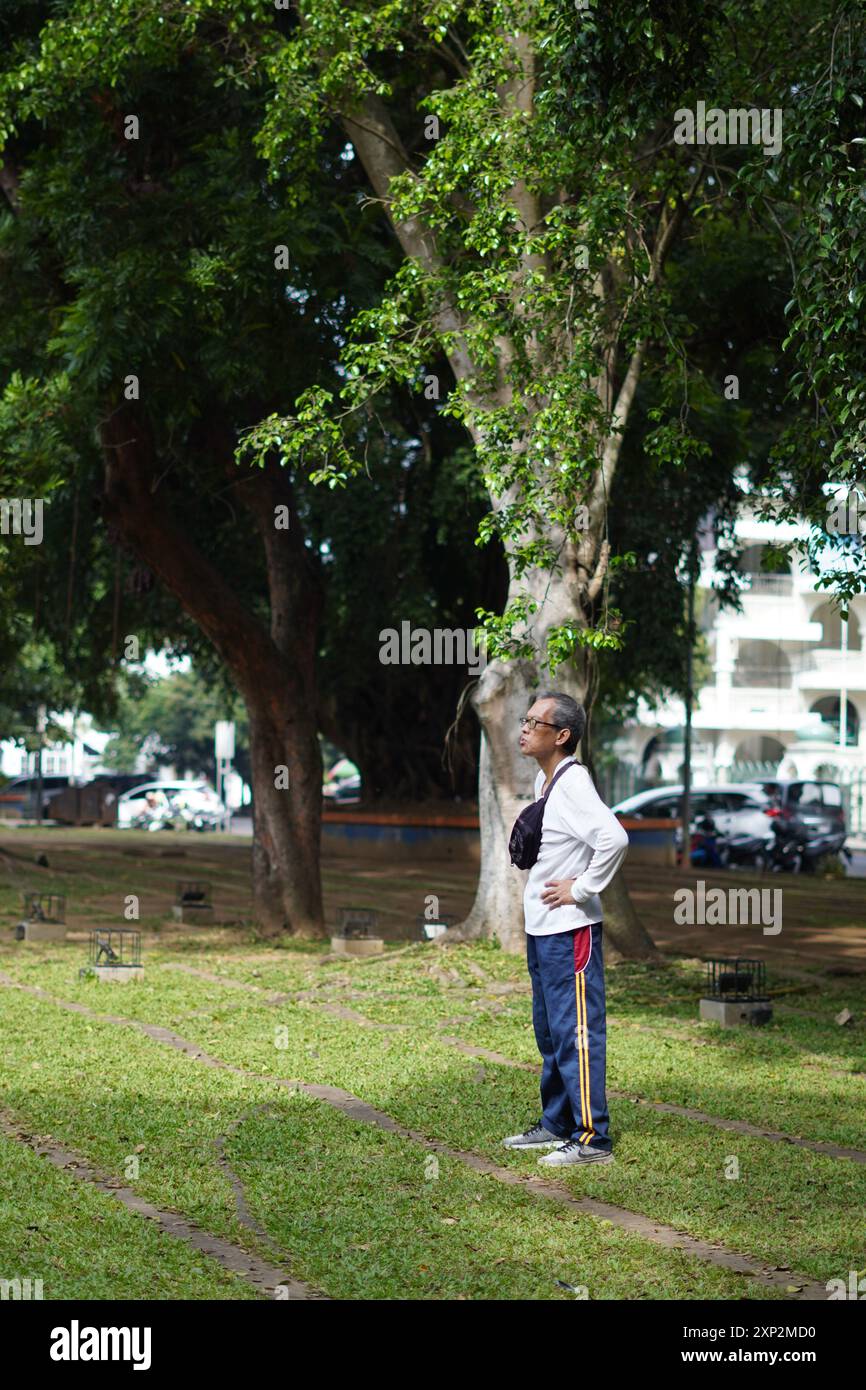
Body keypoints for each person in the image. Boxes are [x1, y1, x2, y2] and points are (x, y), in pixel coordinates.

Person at [503, 692, 629, 1166]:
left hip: (570, 931)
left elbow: (613, 837)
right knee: (551, 1032)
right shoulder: (546, 780)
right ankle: (556, 1122)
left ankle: (593, 1140)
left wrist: (581, 888)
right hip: (544, 931)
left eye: (535, 722)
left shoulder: (572, 783)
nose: (525, 728)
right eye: (525, 719)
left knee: (576, 1032)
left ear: (562, 736)